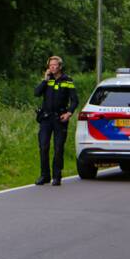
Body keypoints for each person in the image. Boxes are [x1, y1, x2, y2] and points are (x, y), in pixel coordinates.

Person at [34, 55, 78, 186]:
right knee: (43, 147)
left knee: (58, 148)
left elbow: (75, 100)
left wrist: (69, 113)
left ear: (60, 66)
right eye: (50, 65)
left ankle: (57, 176)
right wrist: (45, 80)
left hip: (60, 118)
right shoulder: (47, 80)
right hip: (46, 119)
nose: (52, 67)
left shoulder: (67, 80)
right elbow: (36, 93)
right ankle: (44, 175)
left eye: (54, 65)